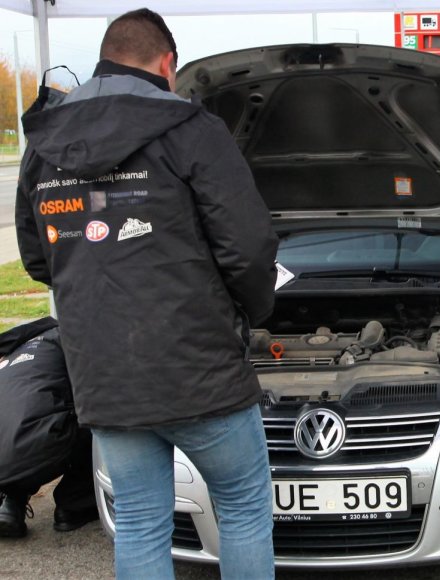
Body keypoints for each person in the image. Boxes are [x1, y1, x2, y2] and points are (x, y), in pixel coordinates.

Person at [15, 8, 278, 579]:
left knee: (138, 521)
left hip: (106, 375)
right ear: (167, 64)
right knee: (243, 511)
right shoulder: (191, 129)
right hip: (202, 371)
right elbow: (249, 247)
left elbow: (40, 260)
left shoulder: (44, 142)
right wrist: (253, 312)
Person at [0, 318, 98, 538]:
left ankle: (10, 505)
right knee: (98, 416)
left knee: (22, 422)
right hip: (31, 447)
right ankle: (73, 506)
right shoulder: (72, 341)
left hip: (7, 449)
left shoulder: (14, 353)